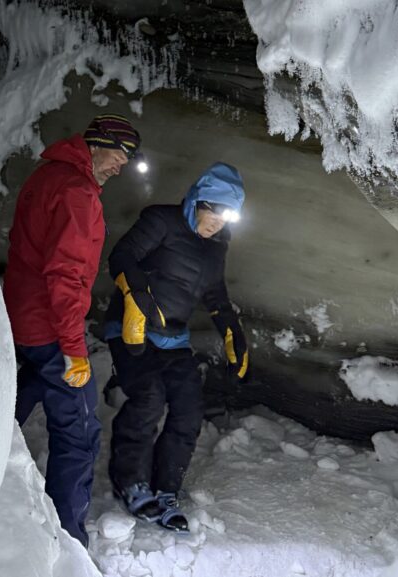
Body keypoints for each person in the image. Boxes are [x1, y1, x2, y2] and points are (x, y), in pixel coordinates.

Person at [2, 113, 141, 547]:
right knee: (79, 433)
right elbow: (66, 274)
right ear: (97, 144)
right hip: (48, 326)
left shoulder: (49, 176)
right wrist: (73, 346)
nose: (122, 165)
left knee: (14, 405)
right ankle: (66, 538)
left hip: (23, 317)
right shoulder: (78, 191)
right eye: (119, 153)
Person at [103, 162, 249, 532]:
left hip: (174, 339)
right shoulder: (162, 221)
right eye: (212, 209)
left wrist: (231, 330)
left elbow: (215, 294)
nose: (217, 221)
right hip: (131, 331)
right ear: (198, 199)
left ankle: (166, 489)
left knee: (188, 409)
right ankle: (130, 482)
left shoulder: (217, 246)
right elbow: (122, 256)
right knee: (149, 398)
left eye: (226, 215)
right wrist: (135, 298)